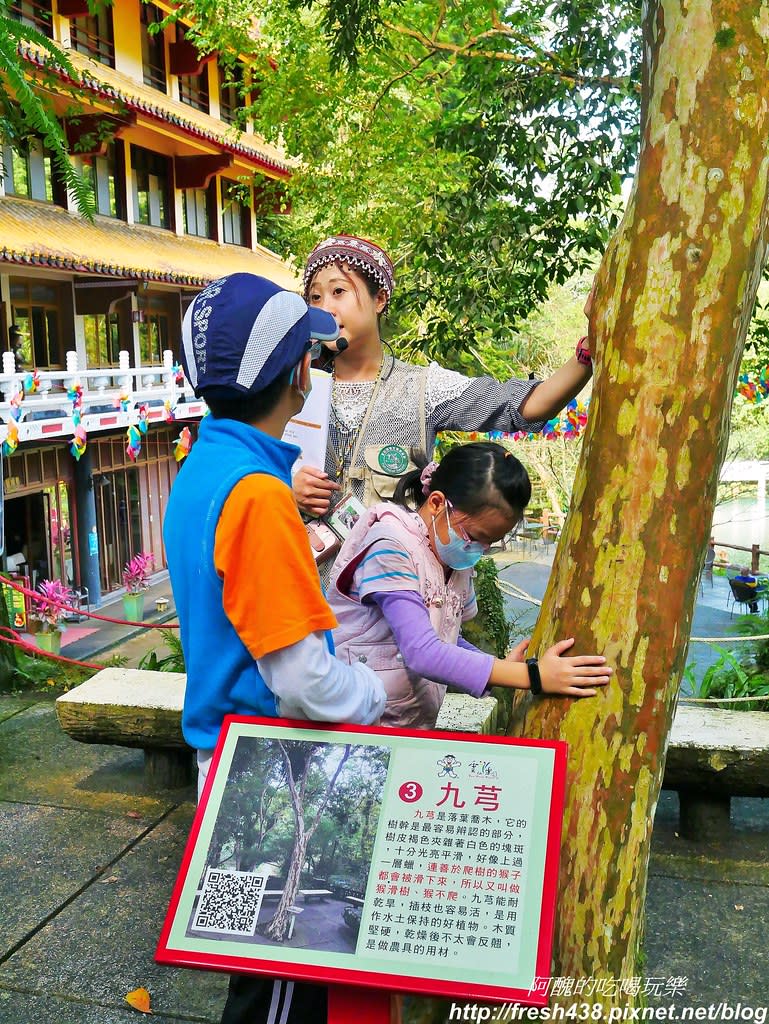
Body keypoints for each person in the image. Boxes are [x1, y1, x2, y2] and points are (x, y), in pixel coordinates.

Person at [163, 272, 388, 1024]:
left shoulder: (201, 469)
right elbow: (302, 681)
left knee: (244, 965)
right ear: (297, 371)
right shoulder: (259, 498)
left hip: (218, 763)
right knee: (281, 985)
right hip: (269, 780)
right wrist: (372, 693)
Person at [294, 234, 595, 531]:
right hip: (301, 574)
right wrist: (288, 487)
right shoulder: (291, 387)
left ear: (380, 299)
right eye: (315, 297)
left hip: (393, 577)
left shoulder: (424, 388)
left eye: (338, 292)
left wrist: (588, 349)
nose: (324, 309)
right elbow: (252, 465)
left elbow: (526, 407)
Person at [328, 442, 612, 729]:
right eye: (475, 536)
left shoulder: (454, 558)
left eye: (490, 543)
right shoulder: (390, 546)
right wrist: (534, 676)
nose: (480, 549)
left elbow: (445, 636)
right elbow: (423, 651)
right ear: (438, 503)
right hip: (351, 725)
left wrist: (503, 667)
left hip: (401, 727)